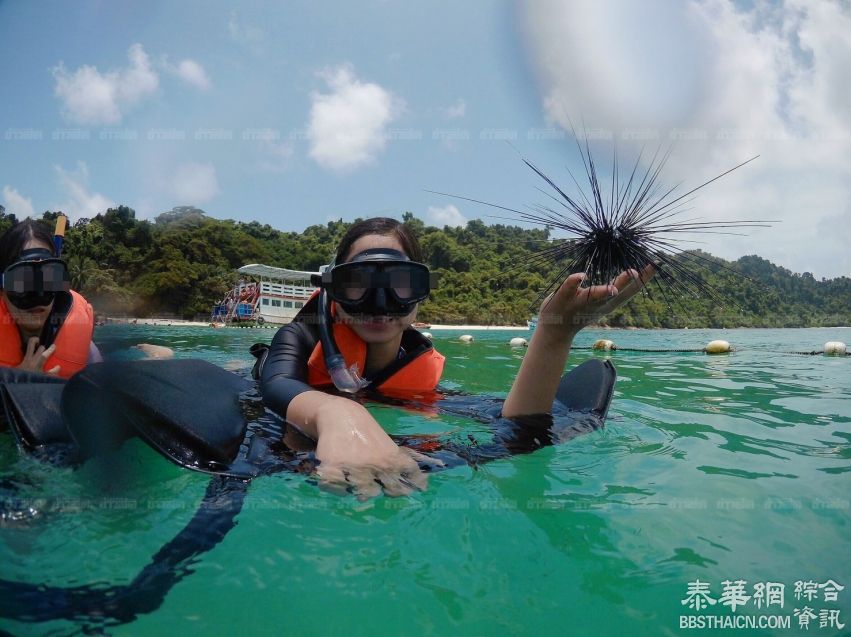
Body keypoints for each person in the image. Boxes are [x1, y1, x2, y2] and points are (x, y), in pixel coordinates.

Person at [258, 217, 652, 497]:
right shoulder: (301, 336)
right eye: (357, 285)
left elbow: (519, 429)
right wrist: (341, 413)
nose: (380, 303)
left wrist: (555, 332)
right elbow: (275, 385)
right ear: (334, 294)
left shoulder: (417, 368)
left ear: (420, 295)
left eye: (399, 283)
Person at [0, 219, 101, 378]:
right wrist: (15, 382)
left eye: (48, 278)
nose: (39, 294)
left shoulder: (86, 351)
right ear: (2, 289)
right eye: (22, 281)